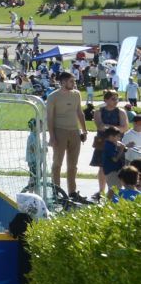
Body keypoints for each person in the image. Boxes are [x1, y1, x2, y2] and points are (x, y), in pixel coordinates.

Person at [44, 70, 88, 201]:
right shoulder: (53, 96)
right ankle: (56, 191)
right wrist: (52, 136)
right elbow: (49, 118)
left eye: (74, 81)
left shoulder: (76, 94)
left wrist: (84, 130)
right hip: (59, 131)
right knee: (57, 163)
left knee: (73, 165)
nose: (74, 83)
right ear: (62, 82)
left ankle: (72, 192)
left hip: (74, 131)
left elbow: (80, 113)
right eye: (71, 81)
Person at [93, 91, 129, 201]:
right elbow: (99, 126)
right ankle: (101, 191)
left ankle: (116, 191)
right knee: (102, 167)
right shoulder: (98, 111)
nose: (116, 101)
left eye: (117, 99)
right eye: (113, 99)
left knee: (119, 166)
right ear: (106, 100)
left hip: (117, 143)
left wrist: (108, 128)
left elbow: (125, 128)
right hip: (102, 143)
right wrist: (115, 128)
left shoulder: (121, 112)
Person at [97, 125, 127, 199]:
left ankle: (111, 202)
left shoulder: (112, 144)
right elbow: (115, 159)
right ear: (111, 137)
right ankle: (109, 204)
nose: (119, 138)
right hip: (111, 171)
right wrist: (121, 149)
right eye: (118, 136)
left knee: (116, 188)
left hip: (115, 170)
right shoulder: (108, 146)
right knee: (114, 189)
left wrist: (123, 147)